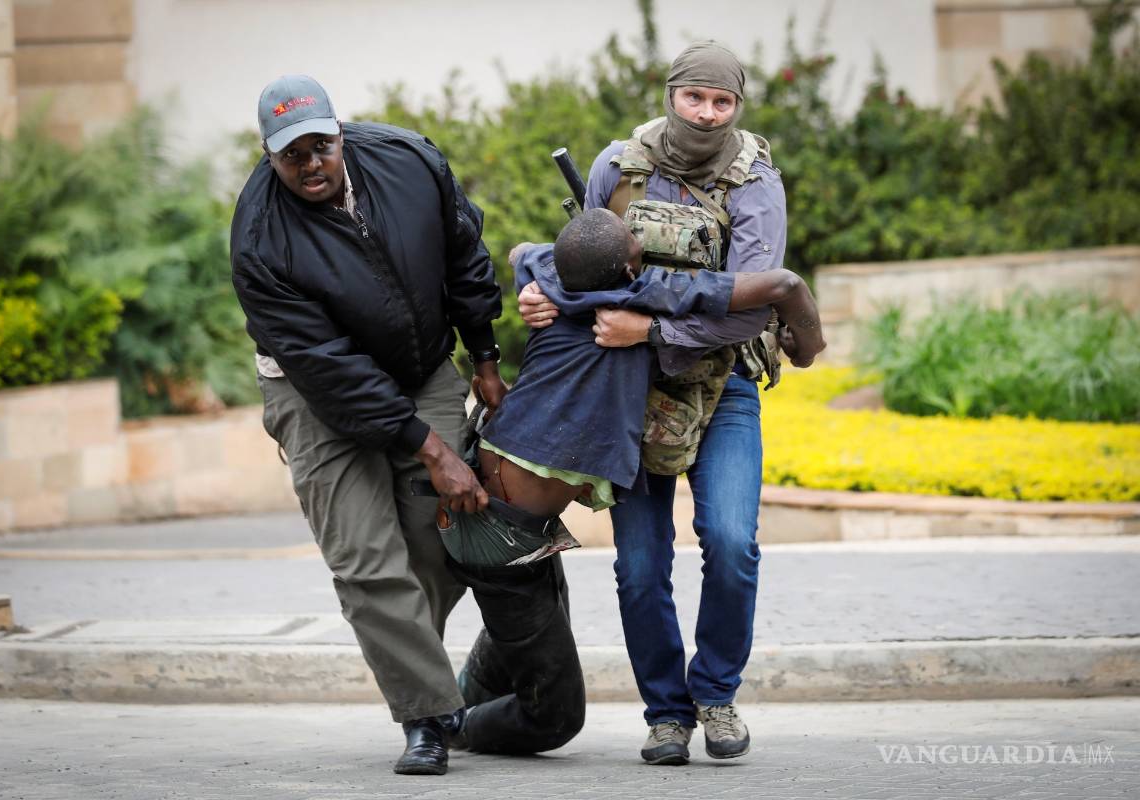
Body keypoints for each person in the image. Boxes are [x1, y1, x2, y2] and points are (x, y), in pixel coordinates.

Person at [445, 209, 824, 757]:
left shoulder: (551, 272)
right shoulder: (644, 292)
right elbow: (784, 284)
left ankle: (453, 708)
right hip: (504, 538)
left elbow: (521, 251)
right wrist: (807, 345)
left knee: (516, 624)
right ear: (630, 269)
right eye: (635, 244)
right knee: (554, 714)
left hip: (503, 510)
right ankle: (444, 728)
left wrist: (530, 279)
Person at [518, 41, 790, 765]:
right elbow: (585, 265)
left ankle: (716, 695)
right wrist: (543, 297)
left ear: (737, 107)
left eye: (722, 101)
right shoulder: (617, 166)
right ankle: (668, 714)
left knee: (730, 542)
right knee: (639, 565)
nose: (706, 113)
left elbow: (751, 308)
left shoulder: (755, 184)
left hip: (724, 382)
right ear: (671, 95)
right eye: (694, 97)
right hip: (629, 390)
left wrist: (654, 330)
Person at [230, 74, 506, 777]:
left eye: (320, 146)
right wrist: (432, 448)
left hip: (418, 366)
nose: (311, 164)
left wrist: (484, 356)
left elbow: (464, 255)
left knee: (439, 537)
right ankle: (427, 716)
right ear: (268, 156)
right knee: (364, 558)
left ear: (340, 133)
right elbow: (330, 372)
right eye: (292, 155)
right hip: (310, 393)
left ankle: (423, 680)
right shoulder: (260, 239)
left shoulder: (409, 160)